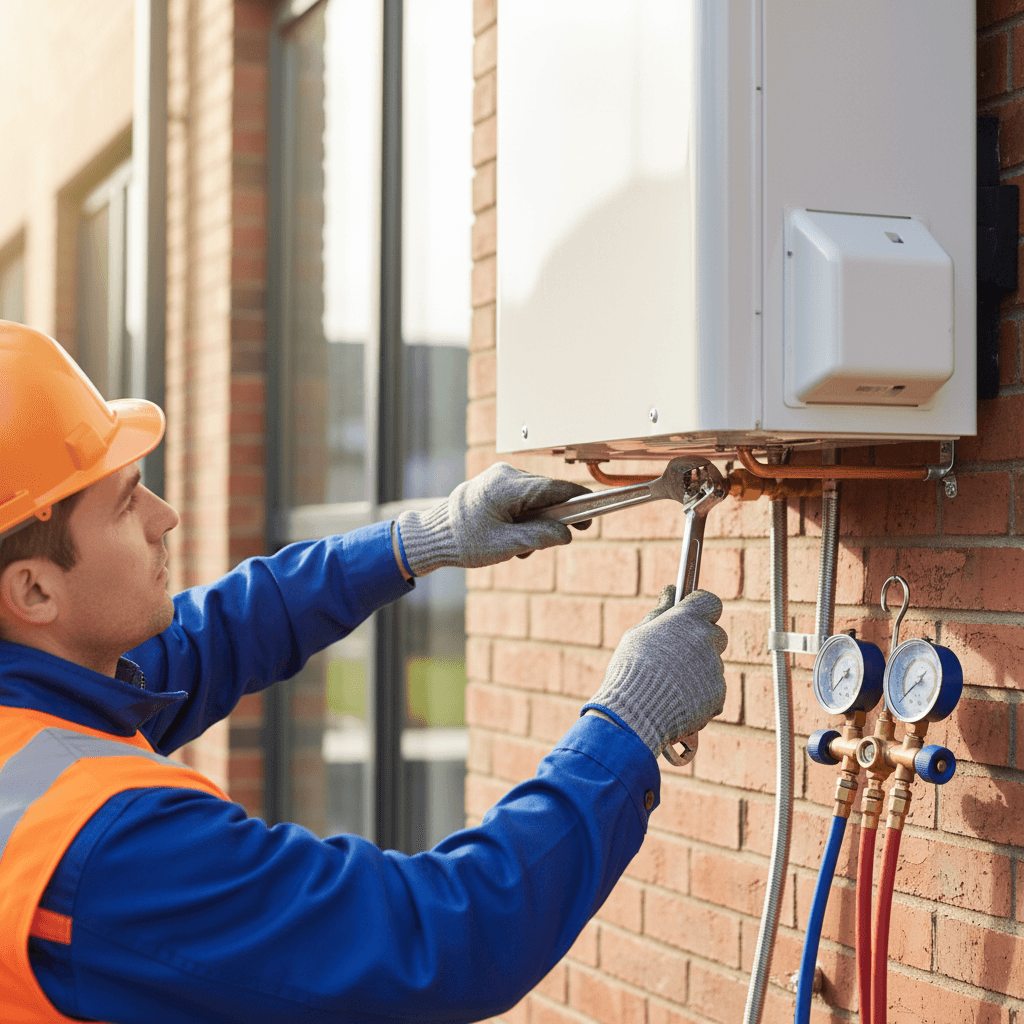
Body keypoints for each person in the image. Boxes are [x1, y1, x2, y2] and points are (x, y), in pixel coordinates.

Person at [0, 321, 728, 1023]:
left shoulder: (33, 706)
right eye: (127, 504)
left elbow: (220, 630)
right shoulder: (107, 846)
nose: (166, 517)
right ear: (34, 590)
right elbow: (438, 943)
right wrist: (624, 730)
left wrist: (416, 541)